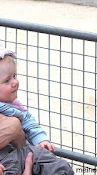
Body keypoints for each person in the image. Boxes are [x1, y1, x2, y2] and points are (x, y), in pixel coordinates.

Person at [0, 45, 74, 174]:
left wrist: (41, 140)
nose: (15, 82)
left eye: (14, 76)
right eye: (7, 80)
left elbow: (28, 122)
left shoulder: (13, 105)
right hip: (4, 162)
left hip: (21, 152)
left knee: (55, 163)